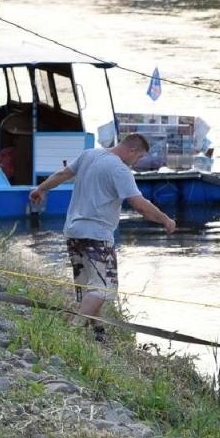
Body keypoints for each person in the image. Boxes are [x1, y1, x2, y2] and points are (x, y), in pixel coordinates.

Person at [27, 134, 177, 336]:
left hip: (73, 231)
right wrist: (166, 220)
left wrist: (40, 189)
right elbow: (139, 205)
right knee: (104, 289)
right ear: (132, 150)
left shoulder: (88, 155)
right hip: (97, 235)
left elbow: (63, 174)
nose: (136, 162)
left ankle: (98, 331)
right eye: (139, 157)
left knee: (90, 286)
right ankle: (72, 332)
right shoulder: (120, 170)